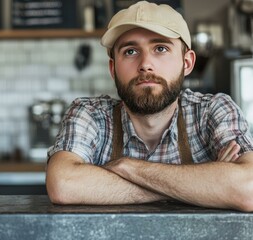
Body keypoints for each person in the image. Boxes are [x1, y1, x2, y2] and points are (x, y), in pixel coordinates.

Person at [46, 1, 253, 212]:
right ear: (113, 68)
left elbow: (249, 189)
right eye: (130, 52)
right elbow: (63, 185)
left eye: (160, 48)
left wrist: (128, 167)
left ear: (187, 62)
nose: (145, 64)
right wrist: (205, 184)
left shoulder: (213, 110)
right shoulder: (90, 114)